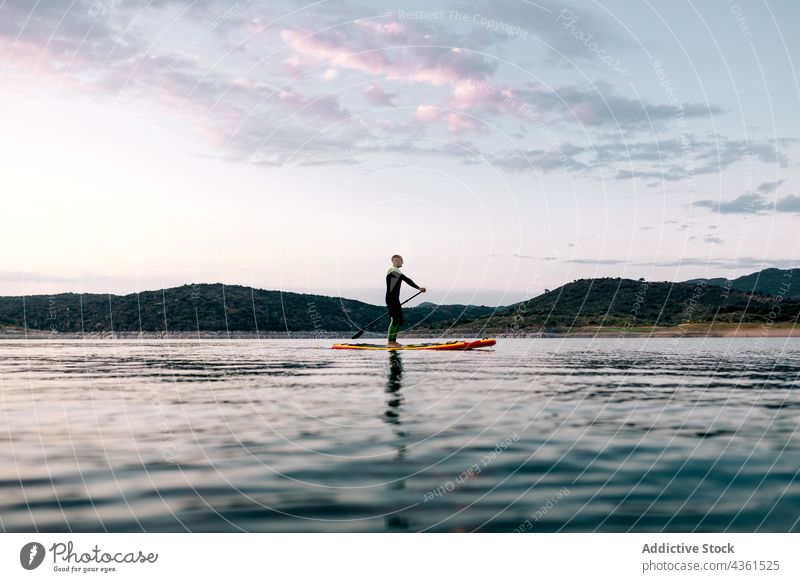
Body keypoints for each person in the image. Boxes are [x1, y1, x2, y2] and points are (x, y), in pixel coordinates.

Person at [386, 255, 426, 348]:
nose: (402, 262)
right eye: (401, 260)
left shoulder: (397, 271)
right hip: (391, 299)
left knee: (400, 321)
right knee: (395, 320)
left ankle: (393, 341)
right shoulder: (393, 270)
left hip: (395, 299)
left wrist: (418, 288)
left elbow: (405, 279)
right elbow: (407, 280)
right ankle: (390, 342)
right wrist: (418, 288)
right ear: (395, 260)